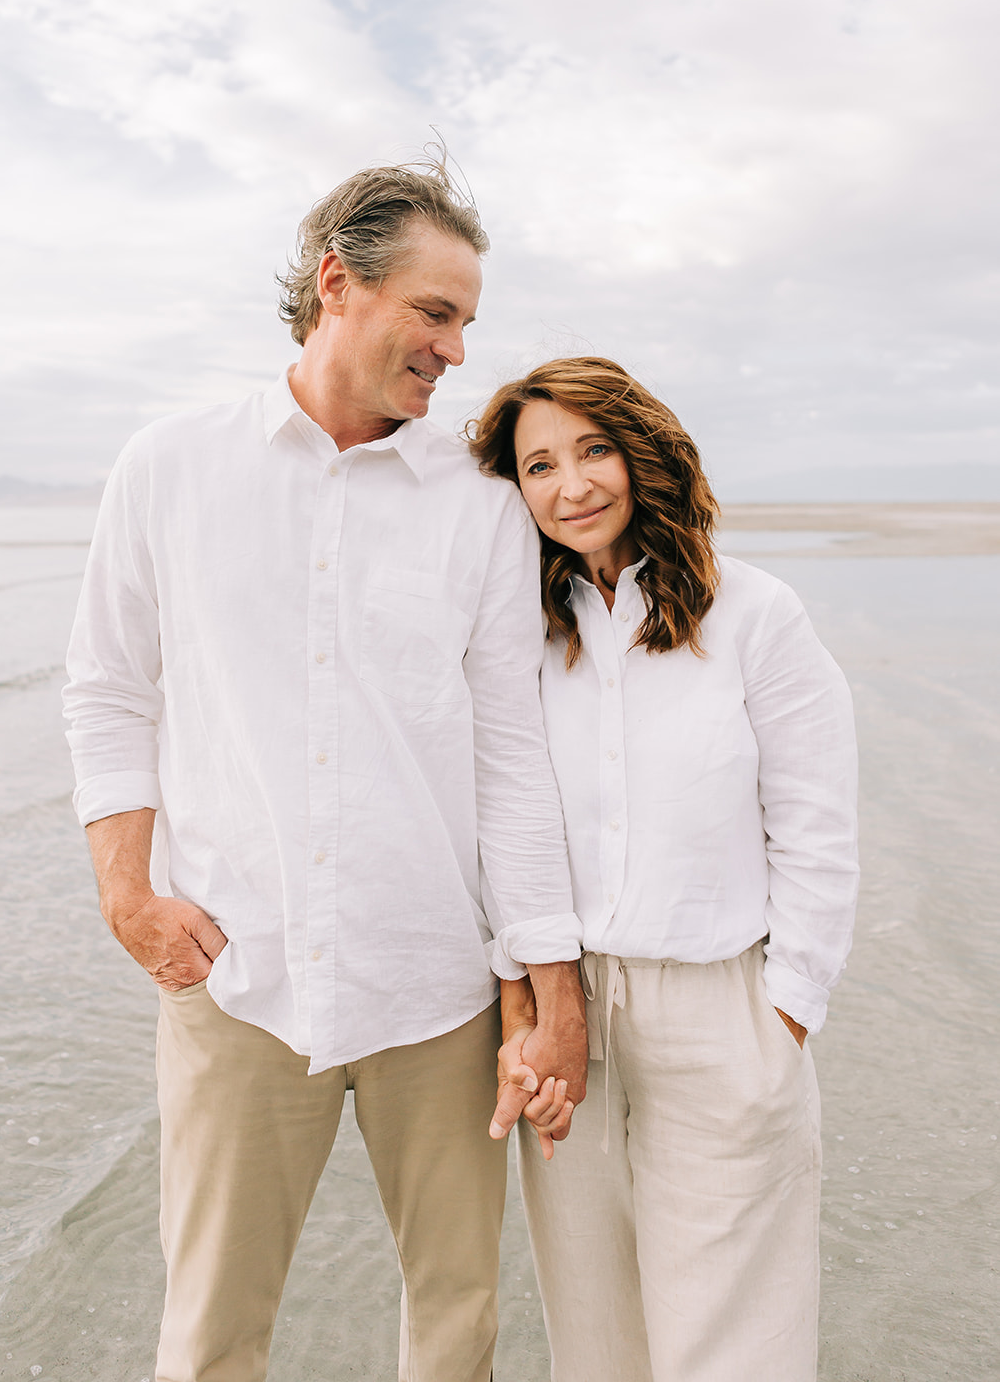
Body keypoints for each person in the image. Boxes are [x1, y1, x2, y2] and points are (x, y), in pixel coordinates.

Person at [63, 159, 587, 1382]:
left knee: (457, 1328)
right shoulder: (168, 466)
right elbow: (107, 689)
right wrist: (126, 894)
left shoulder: (483, 507)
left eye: (465, 320)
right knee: (208, 1337)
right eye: (436, 312)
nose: (457, 351)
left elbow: (510, 759)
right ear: (337, 284)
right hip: (237, 977)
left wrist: (544, 986)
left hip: (438, 990)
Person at [472, 356, 859, 1382]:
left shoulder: (756, 615)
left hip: (719, 1013)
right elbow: (497, 823)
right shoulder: (519, 634)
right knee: (594, 1336)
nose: (571, 484)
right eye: (538, 464)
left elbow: (815, 829)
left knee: (734, 1345)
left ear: (642, 451)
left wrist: (783, 1014)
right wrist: (524, 993)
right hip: (567, 1013)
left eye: (592, 448)